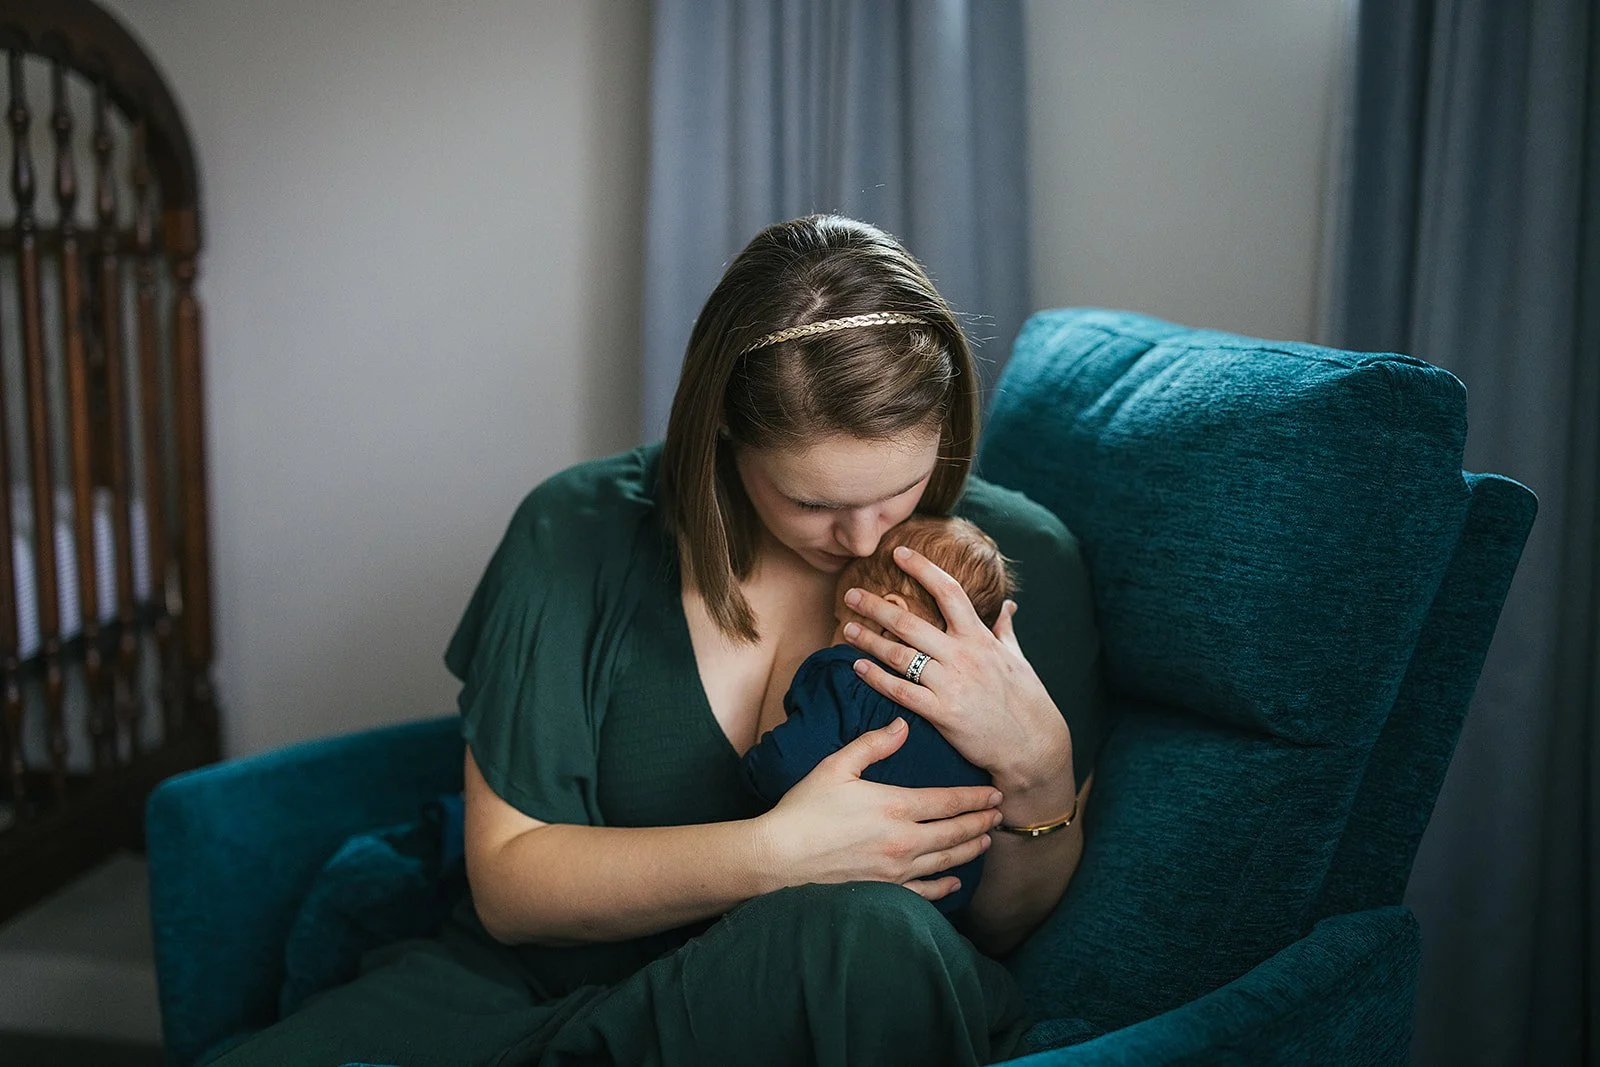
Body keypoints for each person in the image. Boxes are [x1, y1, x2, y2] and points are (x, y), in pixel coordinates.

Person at [210, 214, 1103, 1067]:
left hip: (810, 994)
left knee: (867, 936)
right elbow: (511, 885)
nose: (867, 539)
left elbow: (1002, 927)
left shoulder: (1017, 566)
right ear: (721, 428)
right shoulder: (576, 532)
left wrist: (1040, 765)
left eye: (902, 485)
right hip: (525, 996)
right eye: (814, 503)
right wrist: (776, 855)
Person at [740, 515, 1016, 915]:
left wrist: (750, 770)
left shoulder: (847, 675)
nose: (835, 633)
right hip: (947, 900)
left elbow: (785, 767)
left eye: (839, 620)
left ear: (887, 619)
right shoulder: (980, 719)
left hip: (840, 898)